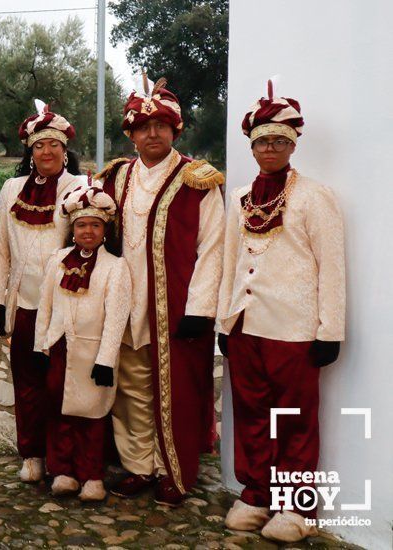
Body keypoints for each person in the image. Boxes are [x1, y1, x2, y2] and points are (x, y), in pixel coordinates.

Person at [219, 79, 345, 543]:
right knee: (251, 412)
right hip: (246, 323)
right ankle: (256, 492)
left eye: (278, 141)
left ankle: (297, 506)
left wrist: (330, 329)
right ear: (251, 148)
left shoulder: (315, 196)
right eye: (261, 142)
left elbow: (332, 266)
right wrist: (223, 319)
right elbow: (230, 262)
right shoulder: (238, 199)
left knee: (292, 417)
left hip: (295, 329)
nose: (269, 148)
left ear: (291, 145)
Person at [96, 73, 225, 506]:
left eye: (161, 126)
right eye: (143, 127)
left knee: (177, 391)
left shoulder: (198, 179)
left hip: (176, 306)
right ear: (131, 134)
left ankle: (174, 471)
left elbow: (213, 247)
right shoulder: (113, 178)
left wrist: (200, 308)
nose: (152, 134)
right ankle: (138, 465)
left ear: (175, 129)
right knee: (130, 388)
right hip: (124, 305)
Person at [0, 100, 85, 483]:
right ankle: (32, 455)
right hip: (24, 305)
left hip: (63, 307)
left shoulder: (78, 189)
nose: (47, 152)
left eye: (54, 146)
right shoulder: (12, 190)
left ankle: (63, 463)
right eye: (40, 145)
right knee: (27, 385)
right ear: (30, 150)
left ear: (65, 151)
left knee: (60, 384)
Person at [34, 184, 131, 500]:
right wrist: (40, 346)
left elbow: (116, 317)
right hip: (60, 347)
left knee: (91, 414)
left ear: (105, 230)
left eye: (95, 225)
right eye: (81, 225)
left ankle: (91, 475)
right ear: (72, 229)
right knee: (59, 411)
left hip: (93, 352)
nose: (88, 231)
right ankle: (62, 471)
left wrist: (106, 359)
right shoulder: (58, 260)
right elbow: (45, 306)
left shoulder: (115, 267)